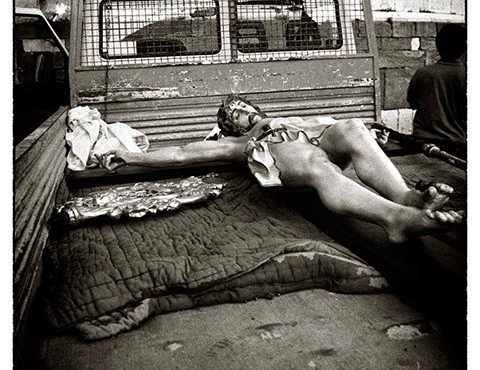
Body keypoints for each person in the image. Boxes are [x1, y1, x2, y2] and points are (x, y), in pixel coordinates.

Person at [98, 94, 464, 244]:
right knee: (311, 160)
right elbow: (180, 153)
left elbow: (334, 130)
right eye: (231, 114)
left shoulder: (286, 118)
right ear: (229, 127)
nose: (239, 110)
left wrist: (368, 133)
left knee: (353, 126)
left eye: (241, 104)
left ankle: (407, 198)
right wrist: (130, 156)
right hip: (293, 162)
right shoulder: (236, 144)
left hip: (319, 140)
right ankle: (394, 218)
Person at [407, 23, 466, 159]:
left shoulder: (422, 73)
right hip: (455, 144)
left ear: (438, 46)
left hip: (421, 142)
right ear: (465, 48)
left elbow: (413, 104)